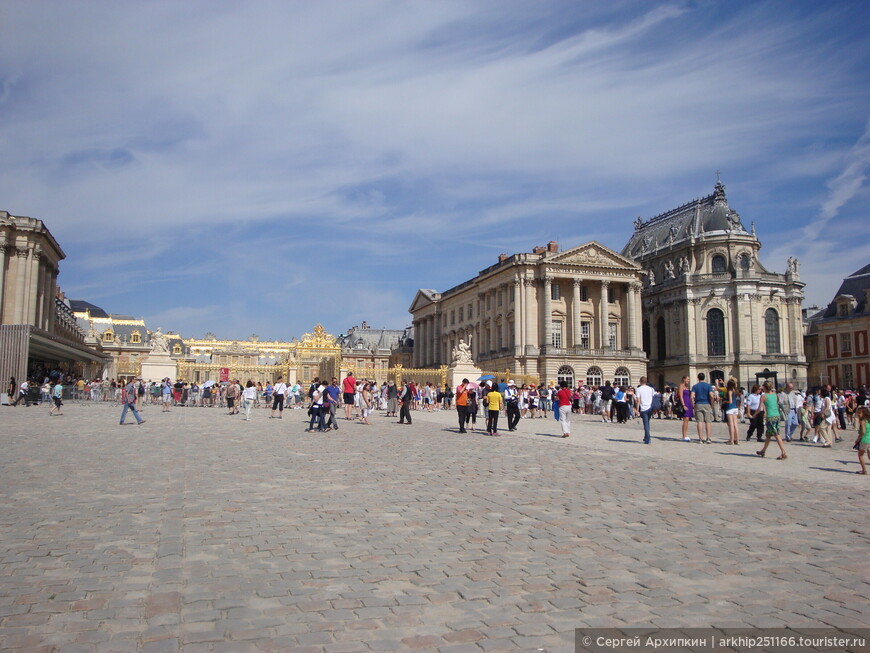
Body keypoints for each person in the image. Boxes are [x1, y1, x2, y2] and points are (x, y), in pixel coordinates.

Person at [756, 381, 787, 460]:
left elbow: (760, 408)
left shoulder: (763, 396)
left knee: (777, 435)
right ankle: (763, 451)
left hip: (770, 417)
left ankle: (783, 452)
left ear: (765, 387)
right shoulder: (775, 394)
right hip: (777, 416)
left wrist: (753, 415)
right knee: (768, 435)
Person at [690, 373, 714, 444]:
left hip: (698, 404)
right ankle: (708, 438)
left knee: (699, 422)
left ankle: (700, 439)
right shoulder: (708, 386)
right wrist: (712, 404)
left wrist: (693, 404)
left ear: (698, 378)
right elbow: (712, 396)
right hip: (707, 403)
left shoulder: (695, 386)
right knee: (708, 422)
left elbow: (692, 396)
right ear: (704, 378)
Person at [635, 377, 655, 444]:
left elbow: (638, 400)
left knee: (646, 424)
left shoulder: (638, 389)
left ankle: (648, 438)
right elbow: (653, 397)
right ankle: (646, 436)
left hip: (643, 408)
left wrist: (637, 410)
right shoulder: (651, 389)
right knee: (648, 423)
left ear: (640, 381)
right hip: (650, 407)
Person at [723, 378, 740, 445]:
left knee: (731, 425)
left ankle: (732, 440)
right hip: (735, 408)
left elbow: (730, 401)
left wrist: (725, 401)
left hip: (730, 408)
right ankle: (737, 440)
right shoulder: (735, 390)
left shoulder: (730, 391)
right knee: (736, 425)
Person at [677, 376, 694, 442]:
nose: (688, 380)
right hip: (685, 403)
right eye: (687, 379)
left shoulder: (687, 387)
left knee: (687, 419)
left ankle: (685, 434)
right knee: (685, 419)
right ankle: (684, 435)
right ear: (684, 379)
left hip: (688, 403)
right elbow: (681, 396)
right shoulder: (681, 386)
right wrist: (683, 404)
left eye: (689, 379)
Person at [854, 406, 870, 475]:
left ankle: (864, 470)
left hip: (864, 440)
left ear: (864, 413)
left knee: (860, 455)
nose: (858, 414)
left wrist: (858, 439)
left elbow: (863, 432)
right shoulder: (869, 420)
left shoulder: (863, 421)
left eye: (860, 413)